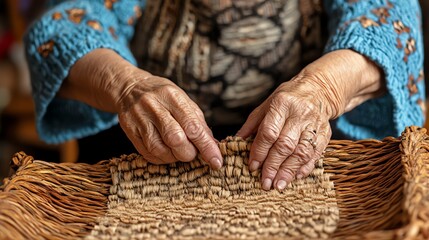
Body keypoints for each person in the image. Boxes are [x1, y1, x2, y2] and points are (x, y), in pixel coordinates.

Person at [24, 0, 424, 191]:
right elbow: (62, 29)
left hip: (309, 155)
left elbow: (390, 24)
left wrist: (323, 90)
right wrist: (128, 86)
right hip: (149, 154)